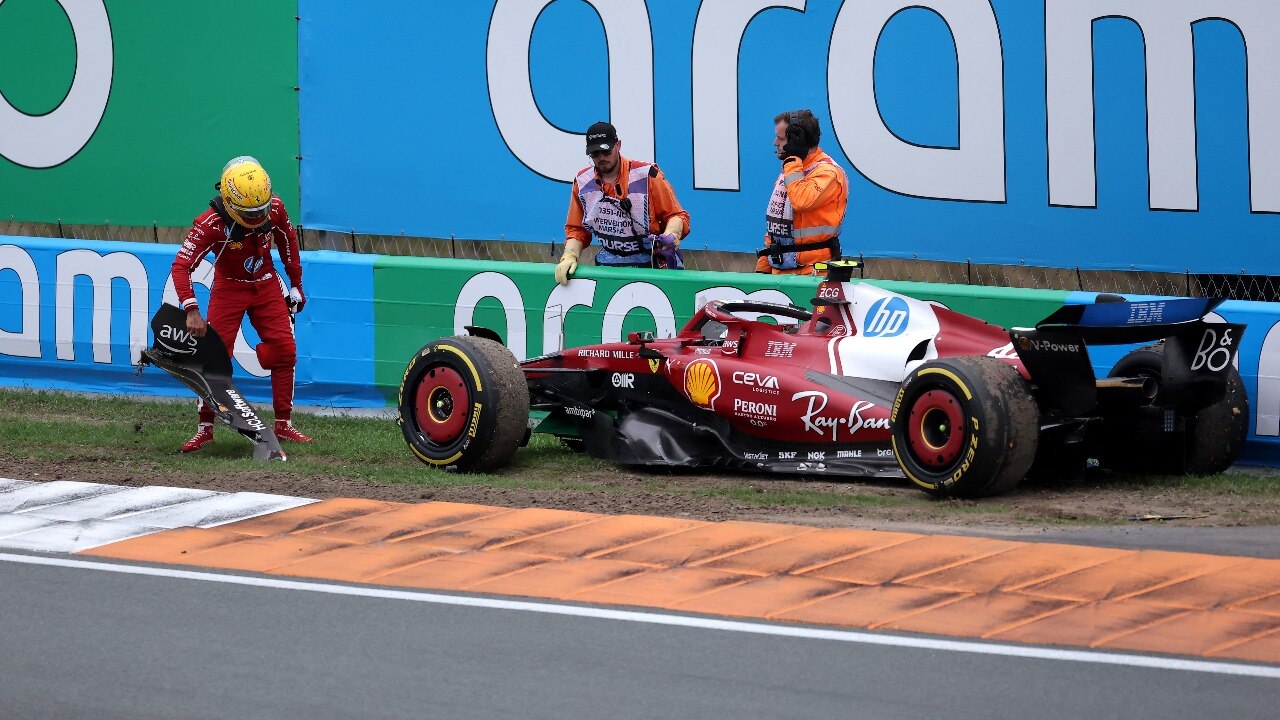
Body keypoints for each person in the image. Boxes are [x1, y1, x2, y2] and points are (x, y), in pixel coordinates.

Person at [171, 156, 313, 451]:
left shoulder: (275, 208)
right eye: (250, 212)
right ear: (228, 200)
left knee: (285, 350)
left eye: (261, 209)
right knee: (214, 358)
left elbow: (288, 242)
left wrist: (297, 285)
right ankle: (205, 427)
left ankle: (284, 424)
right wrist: (191, 310)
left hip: (267, 286)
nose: (257, 217)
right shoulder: (209, 224)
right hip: (228, 289)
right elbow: (181, 266)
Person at [556, 121, 691, 284]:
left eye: (606, 151)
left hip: (653, 264)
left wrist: (672, 235)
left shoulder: (647, 176)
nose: (601, 158)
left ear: (618, 145)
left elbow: (677, 215)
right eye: (595, 154)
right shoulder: (583, 182)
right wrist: (569, 256)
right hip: (609, 263)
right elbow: (577, 230)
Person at [756, 109, 848, 275]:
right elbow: (777, 227)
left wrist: (792, 159)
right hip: (781, 273)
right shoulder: (793, 170)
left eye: (781, 138)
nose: (775, 142)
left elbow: (802, 201)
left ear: (798, 139)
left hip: (814, 275)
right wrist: (763, 270)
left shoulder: (828, 172)